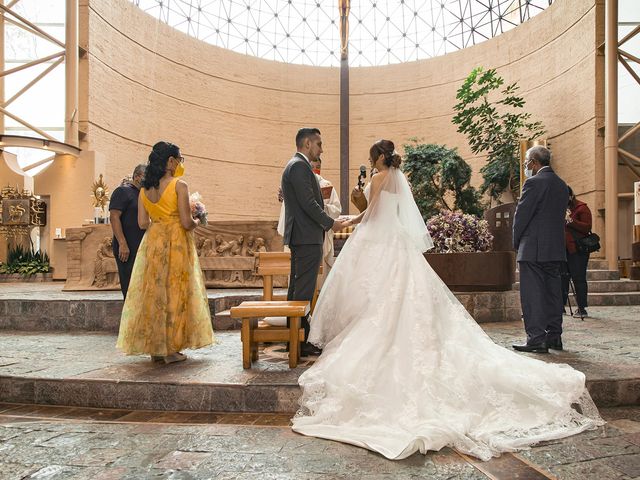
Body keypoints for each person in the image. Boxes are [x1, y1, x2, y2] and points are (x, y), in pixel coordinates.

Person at [291, 139, 602, 461]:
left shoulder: (380, 177)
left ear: (376, 158)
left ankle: (369, 334)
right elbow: (391, 212)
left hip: (375, 238)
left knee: (374, 294)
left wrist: (349, 221)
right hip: (395, 241)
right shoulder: (398, 177)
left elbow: (372, 213)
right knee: (398, 293)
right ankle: (551, 333)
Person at [116, 141, 214, 364]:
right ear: (170, 161)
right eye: (179, 159)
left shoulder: (144, 189)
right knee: (176, 292)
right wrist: (198, 219)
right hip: (176, 242)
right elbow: (187, 222)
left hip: (152, 243)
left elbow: (142, 223)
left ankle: (156, 349)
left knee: (154, 294)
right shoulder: (179, 185)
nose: (180, 164)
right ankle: (171, 349)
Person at [280, 128, 347, 357]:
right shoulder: (299, 166)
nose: (321, 149)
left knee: (298, 289)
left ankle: (296, 337)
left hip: (303, 236)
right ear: (307, 144)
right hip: (306, 237)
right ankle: (299, 340)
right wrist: (330, 223)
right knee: (304, 291)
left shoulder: (295, 165)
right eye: (319, 144)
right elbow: (309, 203)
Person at [512, 146, 568, 353]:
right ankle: (555, 336)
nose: (526, 165)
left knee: (533, 294)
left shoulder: (533, 183)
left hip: (533, 248)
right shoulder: (562, 185)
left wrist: (516, 242)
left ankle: (536, 339)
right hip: (555, 248)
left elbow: (522, 216)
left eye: (527, 161)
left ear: (534, 162)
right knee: (553, 293)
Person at [278, 156, 342, 287]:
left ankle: (316, 302)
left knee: (316, 281)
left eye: (317, 167)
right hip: (299, 235)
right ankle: (298, 305)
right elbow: (293, 209)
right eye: (312, 167)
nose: (315, 170)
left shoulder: (326, 185)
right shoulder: (297, 183)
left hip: (318, 236)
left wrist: (322, 207)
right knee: (299, 282)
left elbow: (336, 210)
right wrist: (285, 199)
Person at [109, 164, 146, 299]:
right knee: (130, 287)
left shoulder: (142, 193)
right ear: (136, 176)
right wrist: (122, 243)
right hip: (127, 247)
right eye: (145, 177)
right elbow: (114, 217)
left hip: (141, 246)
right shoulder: (122, 191)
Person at [562, 186, 593, 318]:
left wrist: (571, 221)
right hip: (563, 249)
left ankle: (582, 308)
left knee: (578, 278)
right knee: (562, 278)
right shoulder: (561, 209)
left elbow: (586, 228)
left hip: (578, 250)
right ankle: (560, 306)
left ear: (570, 196)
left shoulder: (582, 208)